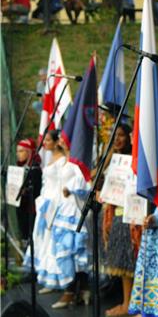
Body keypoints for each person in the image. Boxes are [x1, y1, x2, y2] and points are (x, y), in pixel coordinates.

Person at [100, 124, 140, 317]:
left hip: (131, 215)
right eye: (114, 135)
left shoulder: (135, 159)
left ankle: (129, 305)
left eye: (122, 135)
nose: (117, 139)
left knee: (130, 264)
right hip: (114, 214)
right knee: (123, 266)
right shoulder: (110, 160)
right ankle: (126, 303)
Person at [49, 137, 91, 308]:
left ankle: (73, 290)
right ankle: (79, 290)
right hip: (64, 207)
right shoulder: (66, 161)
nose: (62, 141)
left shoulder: (78, 162)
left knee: (73, 250)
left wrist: (71, 189)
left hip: (75, 208)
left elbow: (86, 182)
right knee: (67, 250)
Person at [24, 131, 66, 294]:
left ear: (57, 142)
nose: (45, 142)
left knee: (51, 240)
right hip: (45, 202)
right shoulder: (50, 158)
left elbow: (61, 183)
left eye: (48, 140)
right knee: (42, 239)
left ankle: (54, 278)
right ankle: (45, 275)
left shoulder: (62, 160)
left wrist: (53, 204)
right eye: (44, 139)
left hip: (54, 203)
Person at [15, 138, 42, 243]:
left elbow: (36, 192)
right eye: (17, 151)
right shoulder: (21, 169)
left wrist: (25, 192)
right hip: (22, 211)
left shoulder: (35, 170)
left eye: (21, 151)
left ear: (29, 152)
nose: (18, 154)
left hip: (31, 212)